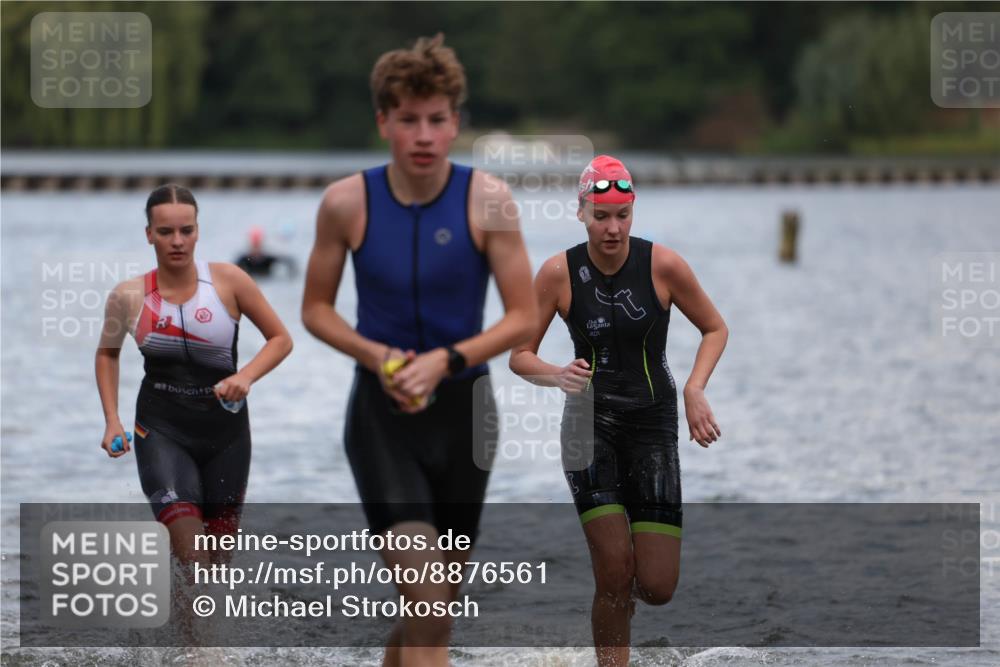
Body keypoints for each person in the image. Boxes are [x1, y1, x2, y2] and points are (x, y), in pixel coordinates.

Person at [301, 34, 536, 666]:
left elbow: (525, 315)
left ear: (456, 123)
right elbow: (315, 310)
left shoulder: (488, 200)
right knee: (428, 598)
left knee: (429, 616)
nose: (424, 135)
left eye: (437, 119)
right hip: (383, 419)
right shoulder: (346, 202)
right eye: (409, 120)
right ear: (384, 122)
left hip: (467, 417)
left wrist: (449, 359)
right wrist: (378, 356)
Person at [509, 156, 728, 666]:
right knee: (612, 569)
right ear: (581, 212)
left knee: (655, 586)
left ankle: (618, 620)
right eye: (601, 215)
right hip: (588, 428)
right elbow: (520, 354)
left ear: (633, 212)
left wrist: (695, 388)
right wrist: (555, 375)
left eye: (622, 215)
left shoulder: (664, 266)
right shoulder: (557, 273)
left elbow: (715, 328)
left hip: (653, 426)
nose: (612, 228)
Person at [96, 184, 293, 566]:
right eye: (166, 232)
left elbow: (281, 339)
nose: (177, 241)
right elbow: (107, 355)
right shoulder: (130, 296)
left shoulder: (229, 282)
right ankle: (187, 622)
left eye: (186, 230)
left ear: (197, 231)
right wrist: (111, 420)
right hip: (160, 429)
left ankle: (185, 626)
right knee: (191, 553)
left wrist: (247, 376)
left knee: (217, 563)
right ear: (149, 234)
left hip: (227, 435)